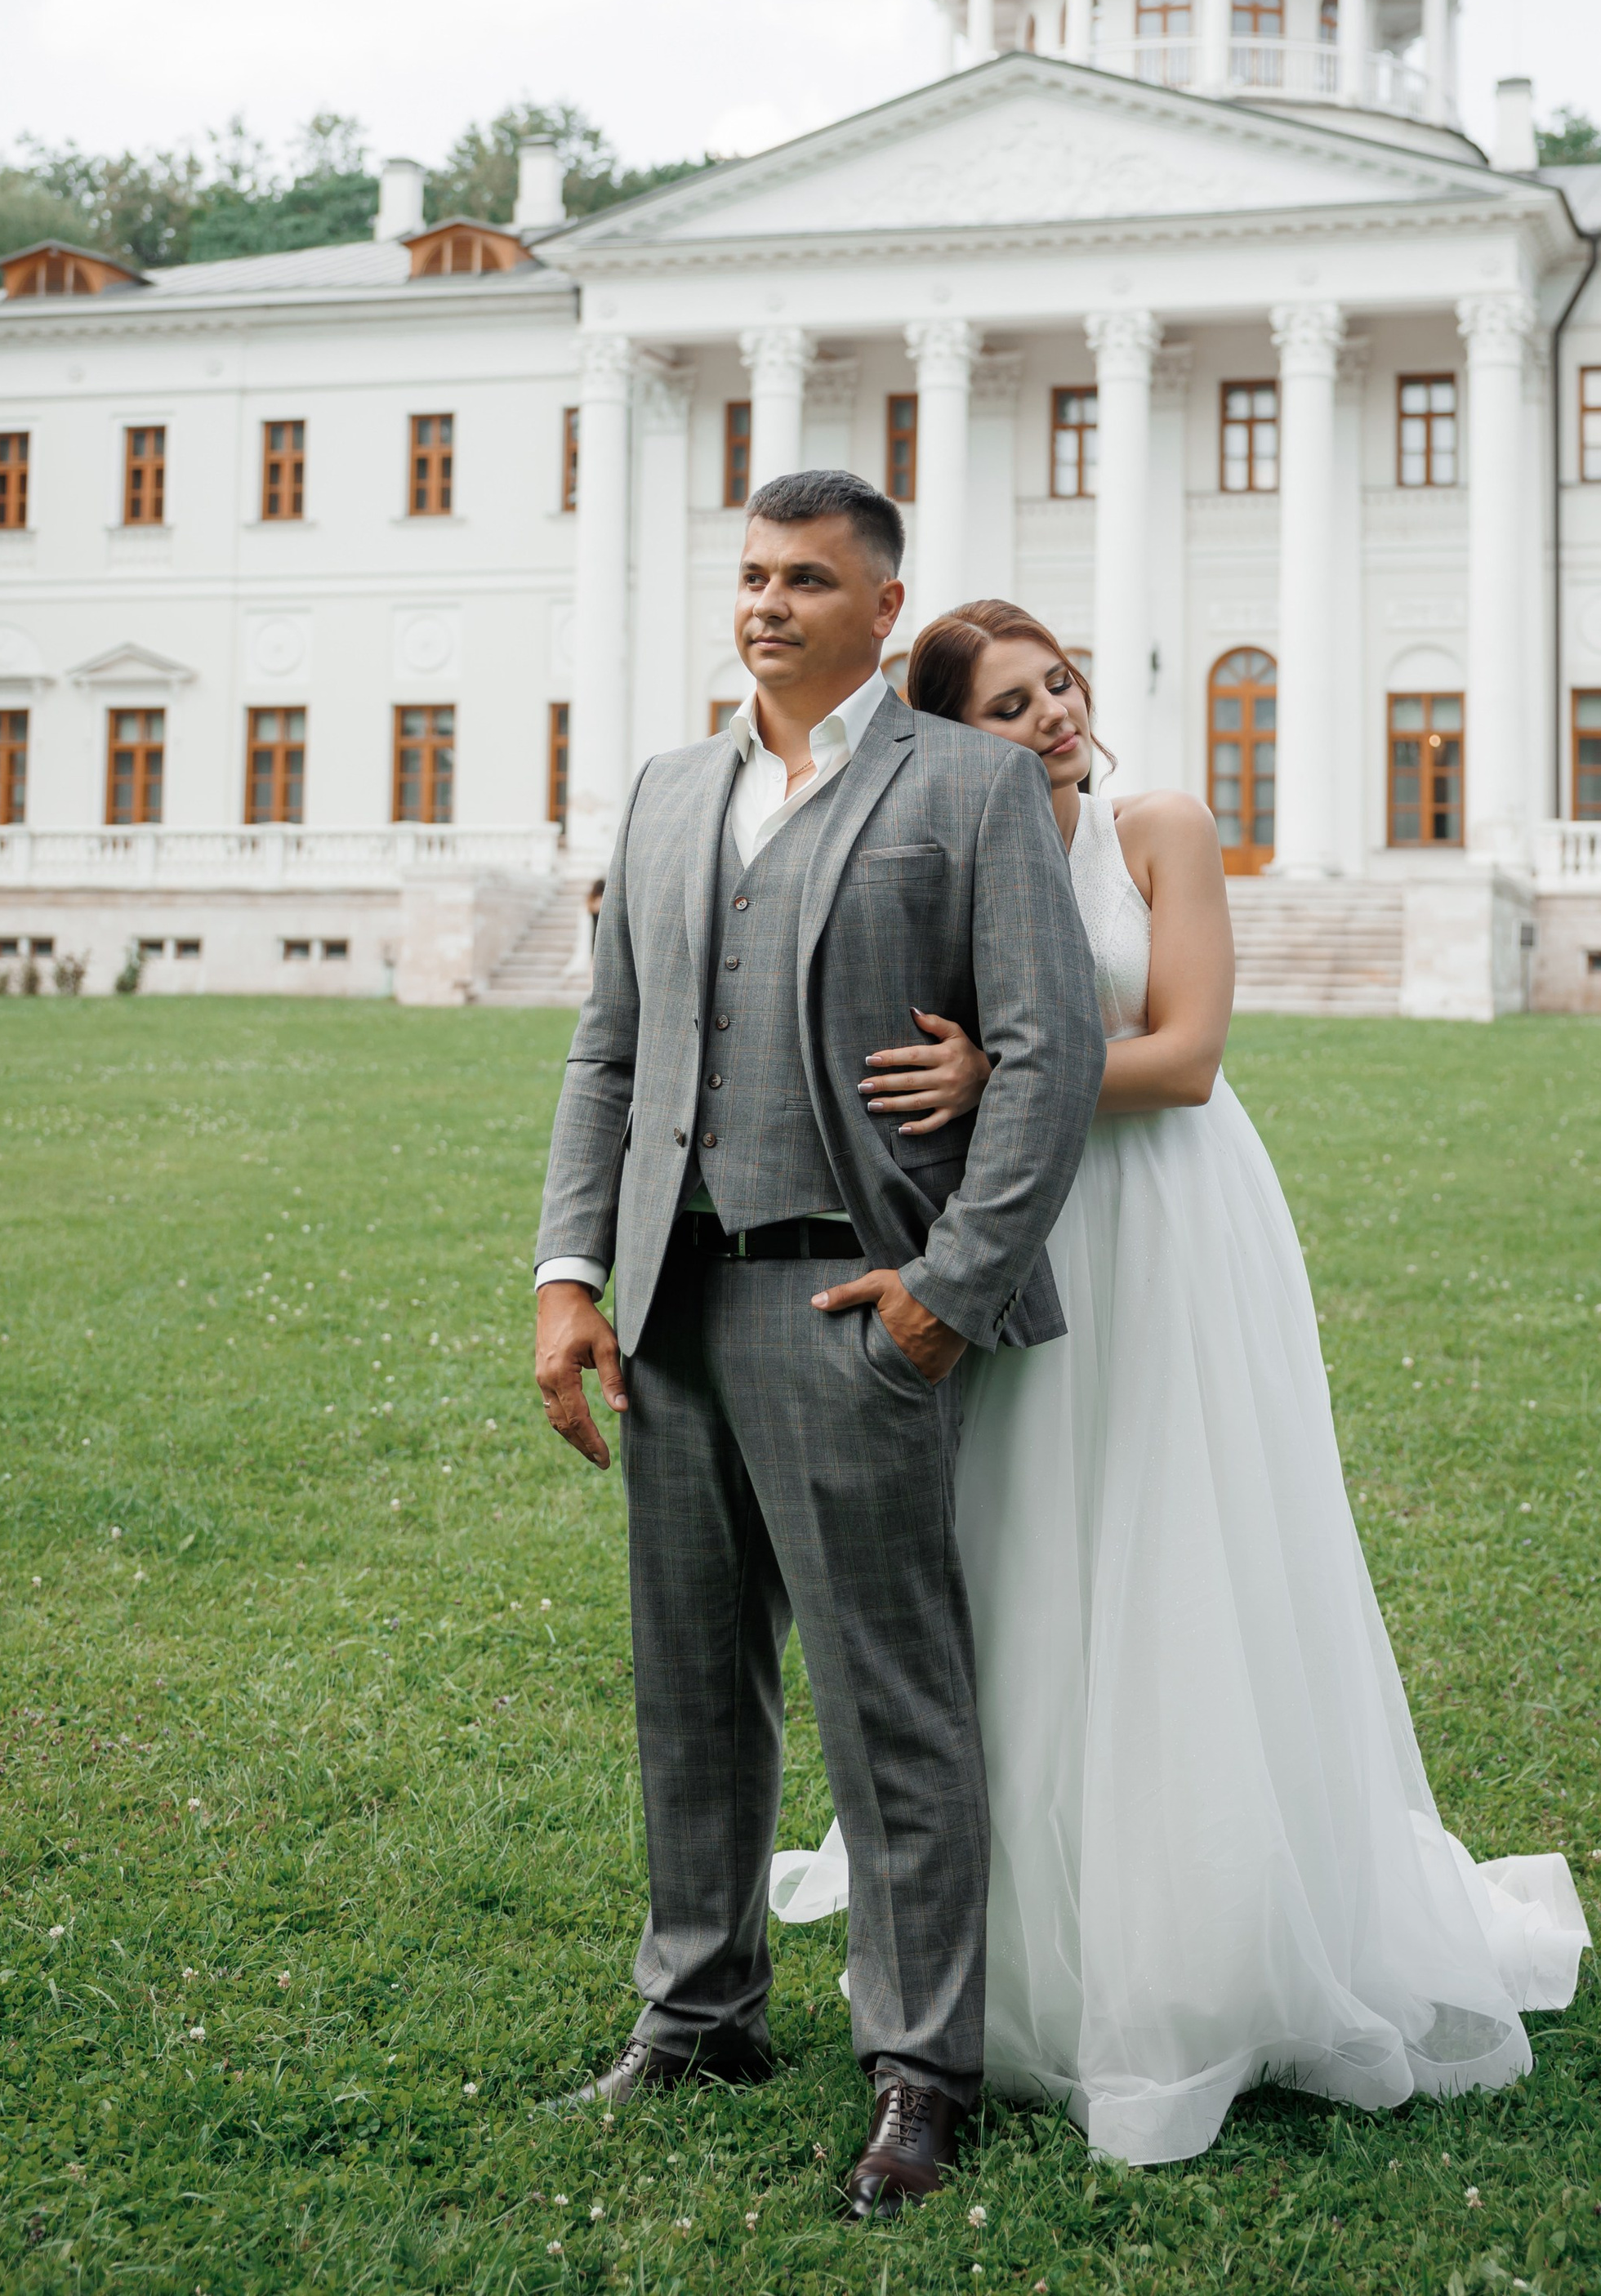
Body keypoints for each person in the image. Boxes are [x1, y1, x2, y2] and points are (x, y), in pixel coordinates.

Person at [774, 600, 1590, 2167]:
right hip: (1027, 1223)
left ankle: (1214, 1933)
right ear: (958, 735)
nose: (1056, 715)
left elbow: (1188, 1050)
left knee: (1180, 1544)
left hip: (1171, 1214)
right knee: (1024, 1558)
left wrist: (1006, 1072)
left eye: (1061, 683)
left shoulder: (1162, 827)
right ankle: (1017, 1947)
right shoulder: (952, 858)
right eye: (1012, 704)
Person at [531, 484, 1104, 2217]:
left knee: (887, 1700)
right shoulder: (665, 790)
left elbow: (1046, 1048)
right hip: (669, 1306)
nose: (768, 605)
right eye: (754, 576)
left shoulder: (973, 787)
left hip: (852, 1298)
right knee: (689, 1688)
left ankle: (919, 2069)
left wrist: (947, 1282)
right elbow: (606, 1055)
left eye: (807, 580)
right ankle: (695, 2009)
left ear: (882, 602)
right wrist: (569, 1275)